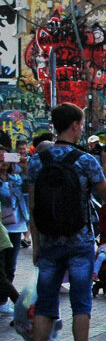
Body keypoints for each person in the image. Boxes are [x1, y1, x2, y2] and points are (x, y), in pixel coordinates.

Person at [25, 102, 106, 341]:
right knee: (81, 303)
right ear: (75, 125)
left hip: (50, 241)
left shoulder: (37, 161)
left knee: (45, 304)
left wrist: (37, 244)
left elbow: (33, 205)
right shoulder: (85, 161)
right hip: (79, 241)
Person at [0, 133, 29, 315]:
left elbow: (28, 189)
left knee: (10, 266)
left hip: (16, 225)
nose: (3, 161)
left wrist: (25, 168)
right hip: (2, 227)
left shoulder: (15, 178)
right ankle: (14, 301)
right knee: (1, 269)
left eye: (5, 157)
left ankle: (3, 302)